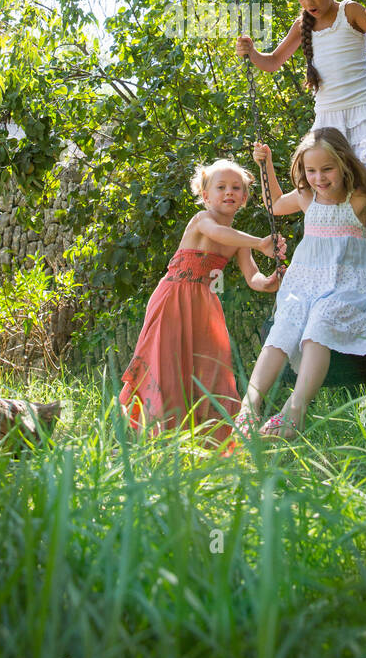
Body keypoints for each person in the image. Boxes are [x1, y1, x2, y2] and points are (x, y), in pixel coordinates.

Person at [236, 0, 366, 299]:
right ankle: (345, 268)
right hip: (328, 120)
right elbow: (273, 62)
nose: (308, 1)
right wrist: (252, 53)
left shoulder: (350, 12)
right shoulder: (303, 25)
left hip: (361, 113)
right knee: (323, 193)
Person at [234, 128, 366, 442]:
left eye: (327, 169)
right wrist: (266, 165)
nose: (319, 177)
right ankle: (248, 407)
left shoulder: (359, 199)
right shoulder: (307, 196)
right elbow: (274, 204)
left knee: (319, 323)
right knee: (284, 326)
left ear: (345, 165)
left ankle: (296, 412)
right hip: (305, 282)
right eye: (311, 170)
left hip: (347, 286)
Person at [119, 159, 284, 445]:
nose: (228, 192)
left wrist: (268, 283)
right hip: (174, 298)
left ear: (244, 198)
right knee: (168, 367)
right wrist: (259, 242)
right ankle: (161, 437)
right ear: (205, 196)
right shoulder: (201, 220)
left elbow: (252, 275)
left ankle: (210, 440)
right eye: (220, 187)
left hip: (205, 306)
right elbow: (219, 233)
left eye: (236, 188)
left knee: (211, 369)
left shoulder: (239, 240)